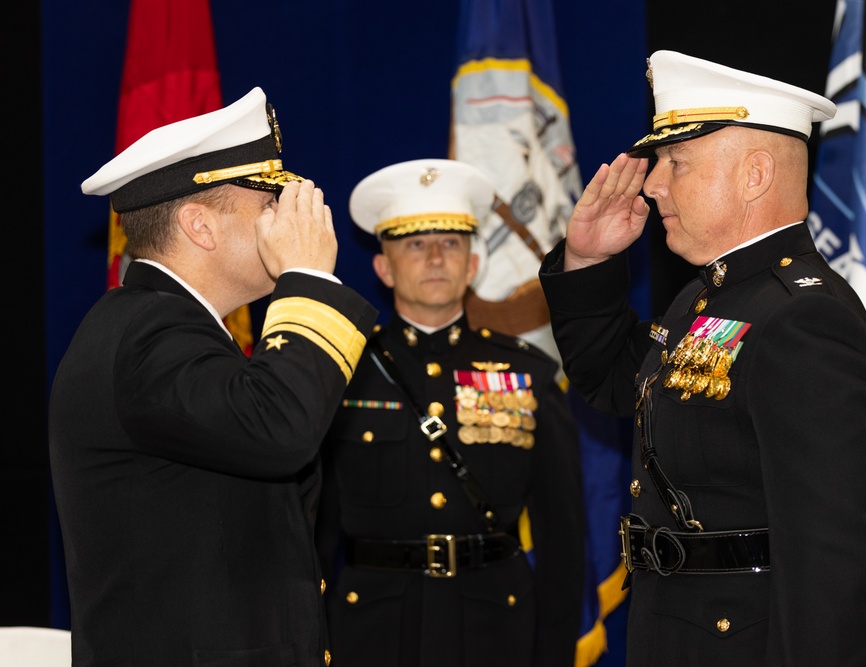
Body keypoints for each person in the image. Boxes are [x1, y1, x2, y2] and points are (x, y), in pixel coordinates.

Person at [538, 51, 866, 665]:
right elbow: (618, 385)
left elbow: (833, 569)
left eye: (676, 162)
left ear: (755, 175)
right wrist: (589, 264)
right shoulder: (710, 297)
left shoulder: (803, 318)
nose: (652, 183)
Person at [48, 87, 378, 666]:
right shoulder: (147, 336)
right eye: (269, 204)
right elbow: (282, 429)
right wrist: (308, 277)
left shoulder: (164, 327)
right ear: (200, 225)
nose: (286, 222)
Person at [315, 158, 585, 667]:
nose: (436, 257)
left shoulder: (528, 373)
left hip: (495, 630)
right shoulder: (342, 374)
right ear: (383, 267)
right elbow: (315, 532)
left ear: (473, 266)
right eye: (415, 244)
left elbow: (562, 539)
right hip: (369, 632)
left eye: (452, 243)